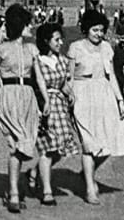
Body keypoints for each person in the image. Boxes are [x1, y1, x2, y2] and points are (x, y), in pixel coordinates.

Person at [67, 10, 124, 205]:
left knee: (107, 144)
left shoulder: (107, 48)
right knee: (88, 144)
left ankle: (86, 173)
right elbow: (69, 77)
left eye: (101, 30)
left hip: (104, 96)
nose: (98, 34)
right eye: (94, 30)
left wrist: (119, 100)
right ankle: (90, 188)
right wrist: (70, 98)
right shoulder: (75, 48)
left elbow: (112, 77)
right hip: (82, 97)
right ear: (85, 29)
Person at [0, 4, 40, 213]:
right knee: (14, 145)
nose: (31, 27)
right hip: (9, 98)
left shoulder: (32, 49)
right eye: (28, 24)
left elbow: (38, 77)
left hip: (28, 98)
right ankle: (13, 193)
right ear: (21, 25)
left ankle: (15, 186)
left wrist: (46, 100)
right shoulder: (1, 49)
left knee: (24, 146)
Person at [32, 22, 80, 206]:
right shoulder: (37, 60)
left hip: (60, 107)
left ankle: (35, 173)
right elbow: (37, 84)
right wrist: (42, 105)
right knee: (47, 149)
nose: (60, 43)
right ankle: (47, 191)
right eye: (56, 39)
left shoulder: (61, 59)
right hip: (44, 108)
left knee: (60, 149)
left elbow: (63, 82)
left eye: (61, 39)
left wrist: (70, 93)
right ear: (46, 41)